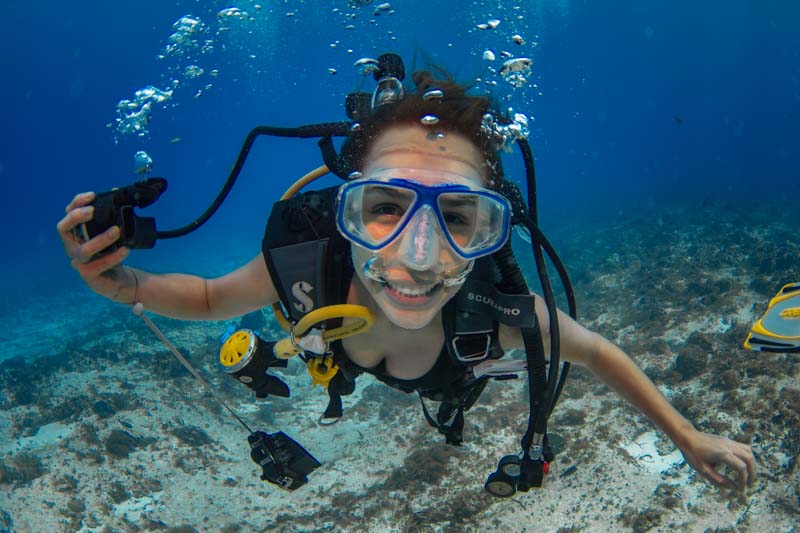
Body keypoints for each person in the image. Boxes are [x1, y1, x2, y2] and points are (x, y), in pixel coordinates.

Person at [57, 62, 755, 494]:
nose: (418, 257)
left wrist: (688, 436)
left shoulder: (494, 307)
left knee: (460, 391)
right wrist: (125, 285)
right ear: (345, 211)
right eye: (383, 209)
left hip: (455, 375)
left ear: (491, 229)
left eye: (459, 218)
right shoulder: (314, 264)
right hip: (342, 351)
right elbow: (210, 297)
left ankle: (448, 402)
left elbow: (597, 352)